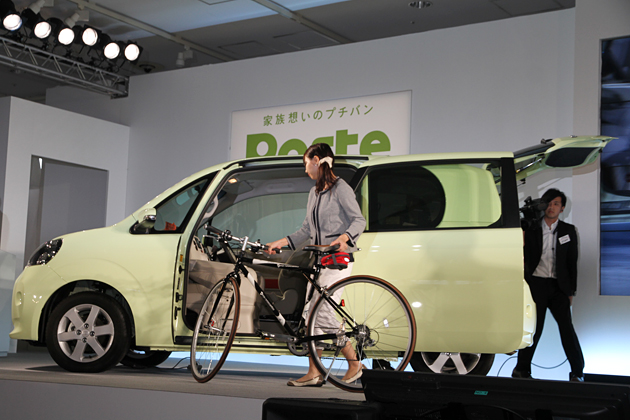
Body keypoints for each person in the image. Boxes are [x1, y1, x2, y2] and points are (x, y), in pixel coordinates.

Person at [266, 142, 366, 387]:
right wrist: (281, 242)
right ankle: (314, 371)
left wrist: (344, 238)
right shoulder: (314, 193)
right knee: (310, 313)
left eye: (306, 163)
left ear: (317, 160)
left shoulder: (341, 188)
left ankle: (355, 362)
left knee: (321, 313)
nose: (305, 169)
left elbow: (359, 220)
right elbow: (306, 230)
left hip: (338, 261)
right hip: (318, 261)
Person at [512, 188, 585, 382]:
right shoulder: (532, 228)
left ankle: (577, 373)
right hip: (536, 284)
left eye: (556, 204)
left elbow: (572, 262)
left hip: (559, 287)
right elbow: (521, 254)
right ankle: (521, 370)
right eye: (549, 203)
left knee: (567, 329)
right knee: (534, 329)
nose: (552, 207)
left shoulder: (569, 230)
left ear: (562, 208)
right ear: (543, 205)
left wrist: (571, 291)